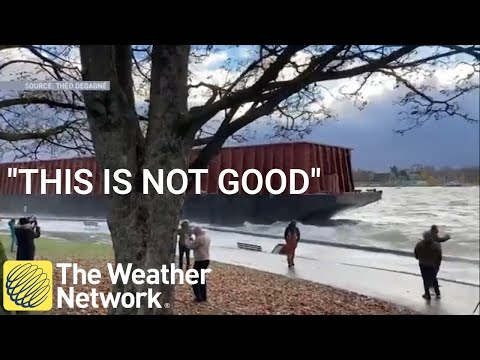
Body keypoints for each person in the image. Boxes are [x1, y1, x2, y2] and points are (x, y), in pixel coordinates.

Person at [414, 231, 442, 300]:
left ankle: (427, 294)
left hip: (423, 264)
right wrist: (438, 263)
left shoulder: (419, 244)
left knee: (425, 279)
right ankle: (437, 292)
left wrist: (420, 258)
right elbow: (439, 256)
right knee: (434, 278)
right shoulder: (436, 245)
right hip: (432, 264)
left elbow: (416, 254)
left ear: (424, 237)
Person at [185, 226, 211, 302]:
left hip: (200, 260)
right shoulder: (206, 237)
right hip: (206, 259)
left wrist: (187, 238)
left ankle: (198, 297)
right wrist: (193, 240)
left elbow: (190, 246)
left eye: (195, 233)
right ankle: (203, 296)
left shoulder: (200, 239)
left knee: (194, 279)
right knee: (202, 279)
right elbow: (197, 245)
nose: (194, 235)